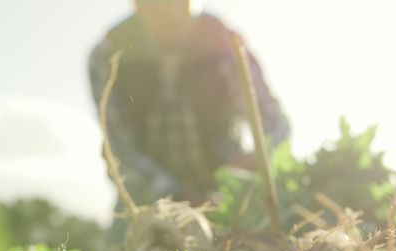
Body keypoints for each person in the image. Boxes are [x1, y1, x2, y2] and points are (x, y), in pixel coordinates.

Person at [89, 0, 290, 206]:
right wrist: (176, 198)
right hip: (146, 198)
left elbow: (275, 122)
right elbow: (121, 150)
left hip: (228, 194)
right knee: (129, 234)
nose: (169, 11)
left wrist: (258, 159)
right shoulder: (108, 56)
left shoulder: (226, 44)